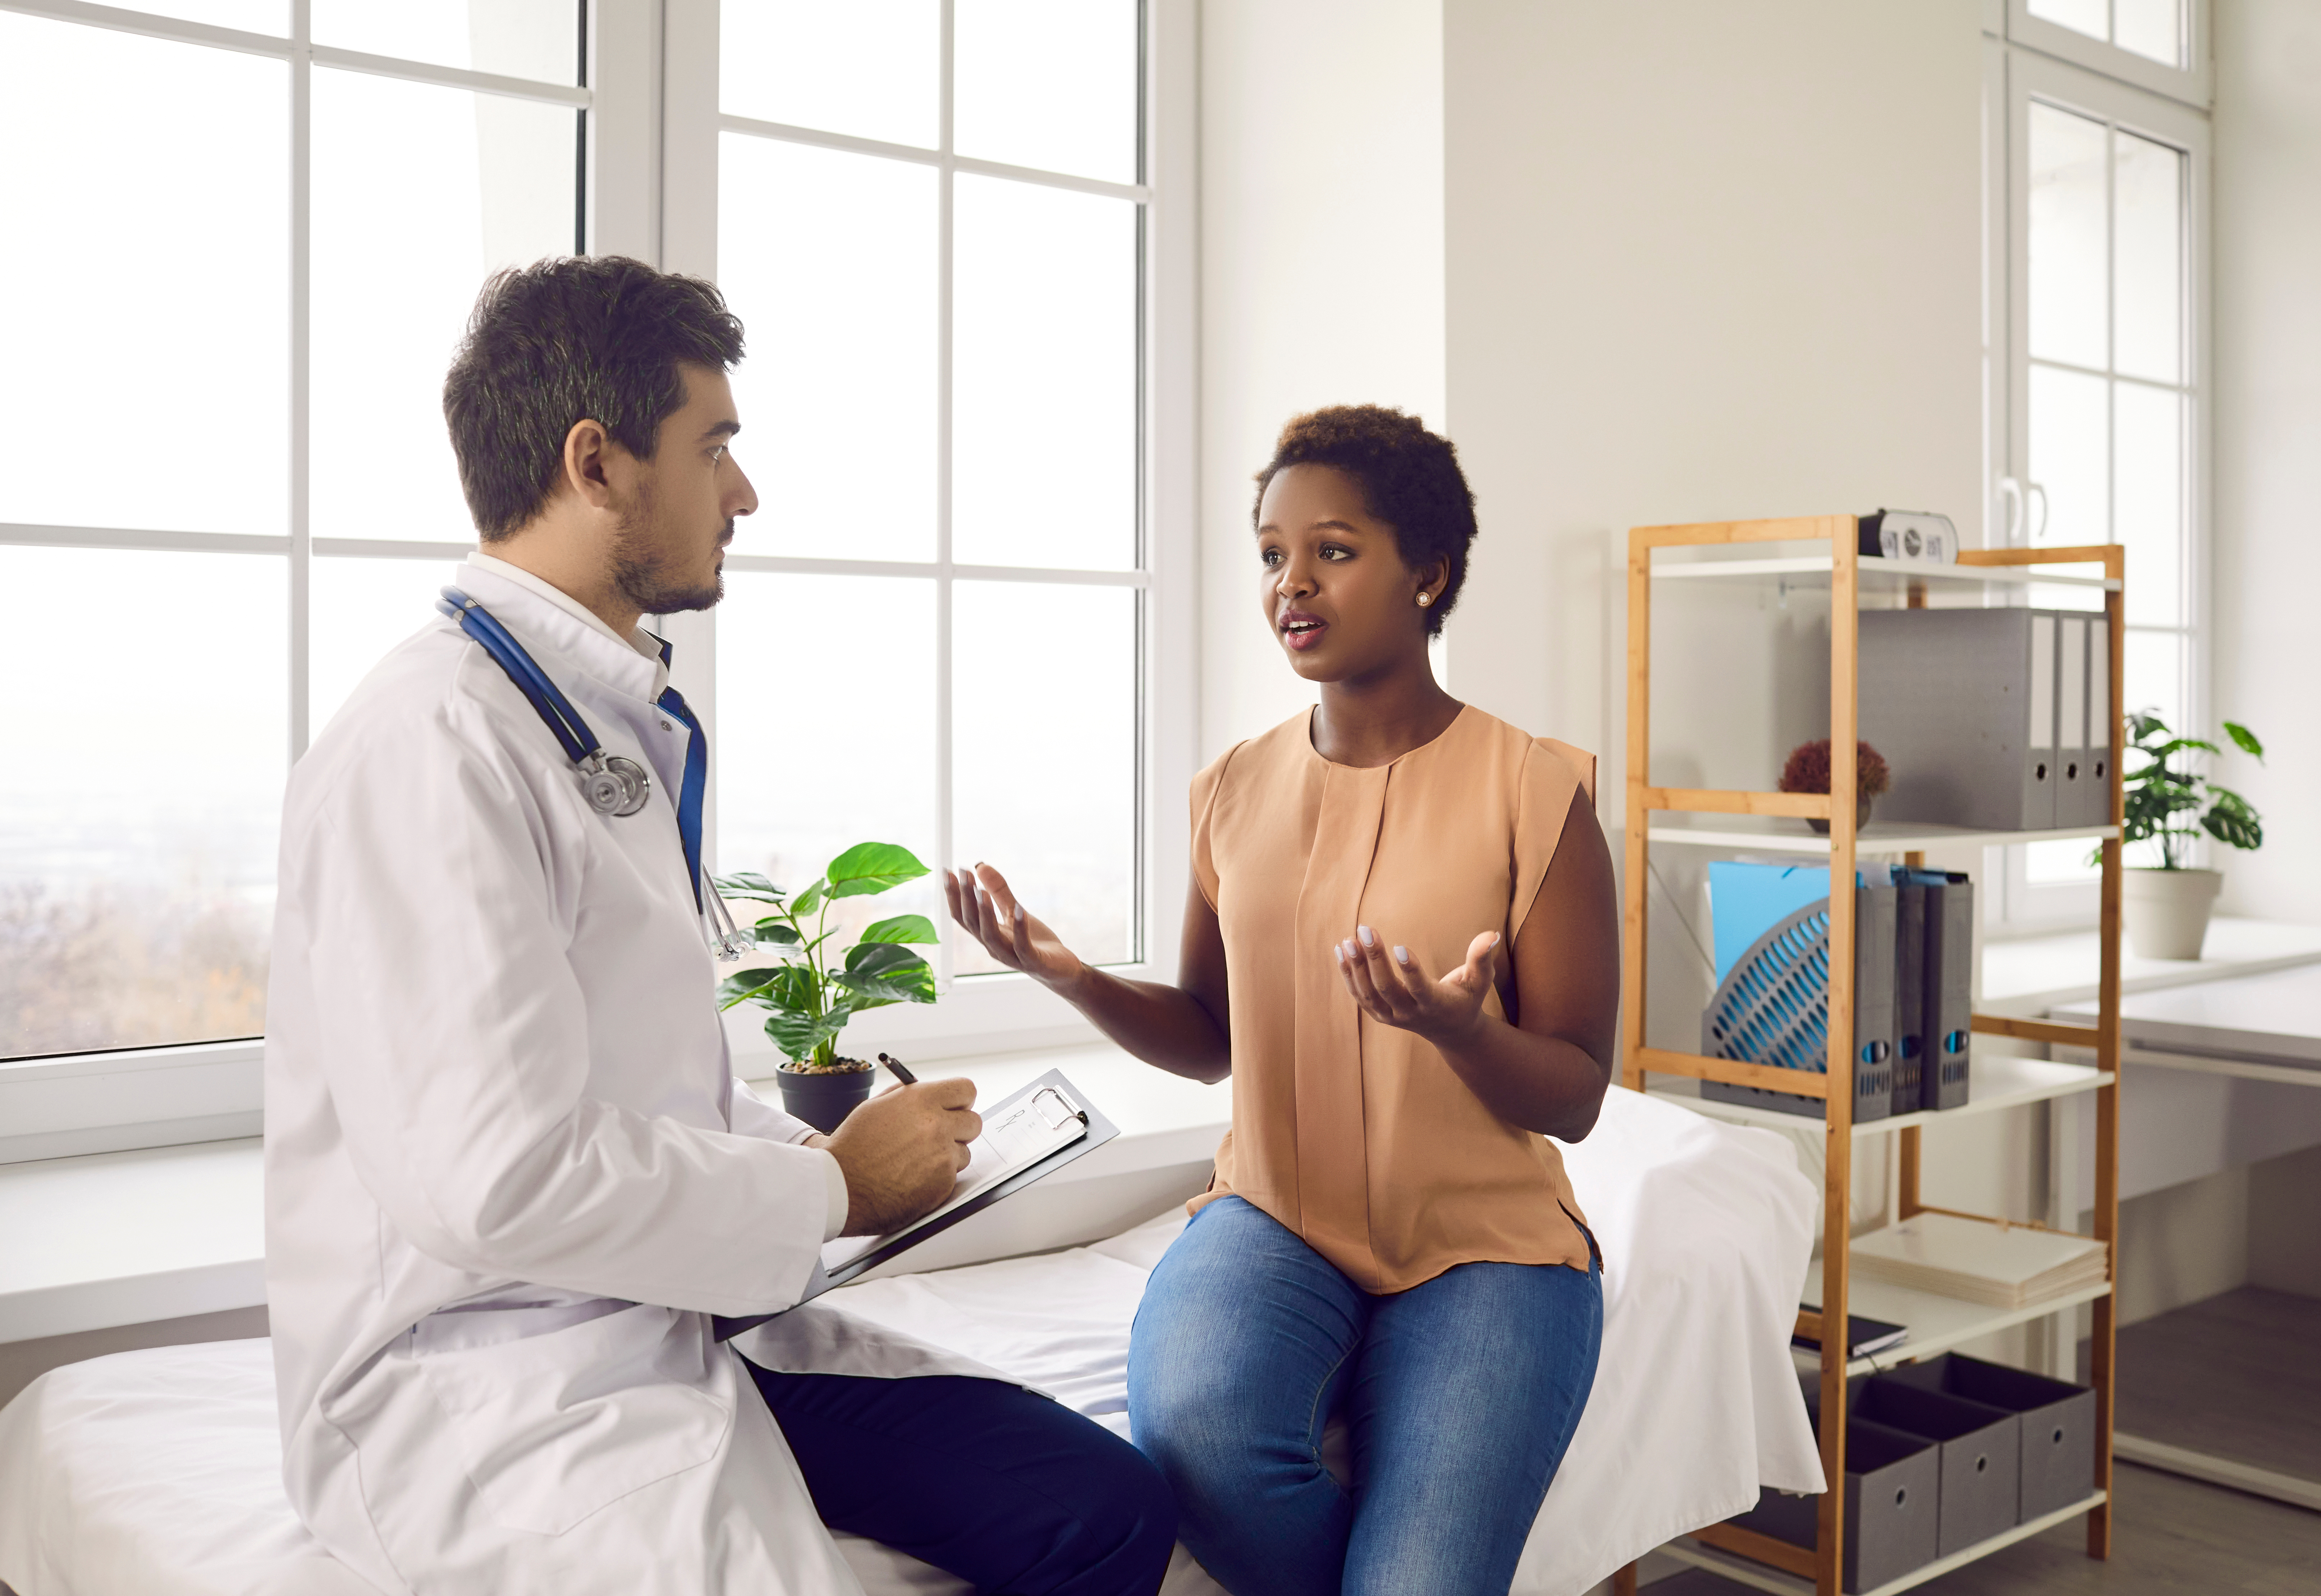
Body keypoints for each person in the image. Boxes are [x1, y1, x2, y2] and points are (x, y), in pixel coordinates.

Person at [263, 255, 1174, 1596]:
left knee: (1095, 1505)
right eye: (716, 445)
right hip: (488, 1364)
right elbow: (491, 1180)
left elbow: (632, 1077)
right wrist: (833, 1187)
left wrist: (830, 1158)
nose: (744, 492)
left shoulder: (588, 722)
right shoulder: (432, 746)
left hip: (657, 1313)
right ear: (598, 462)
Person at [948, 405, 1618, 1596]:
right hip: (1273, 1218)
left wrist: (1462, 1033)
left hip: (1490, 1250)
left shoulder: (1538, 791)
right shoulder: (1232, 790)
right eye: (1269, 554)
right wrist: (1073, 976)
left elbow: (1572, 1095)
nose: (1289, 584)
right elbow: (1209, 1044)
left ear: (1429, 572)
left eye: (1333, 550)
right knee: (1199, 1435)